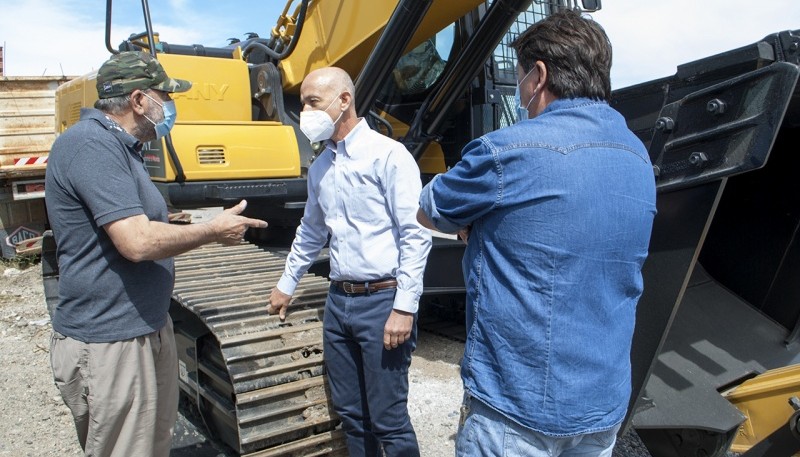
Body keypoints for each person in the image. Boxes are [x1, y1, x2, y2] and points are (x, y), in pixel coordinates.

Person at [417, 9, 657, 457]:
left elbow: (430, 210)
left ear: (538, 75)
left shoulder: (509, 151)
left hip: (519, 411)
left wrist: (480, 224)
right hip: (602, 406)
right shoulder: (637, 156)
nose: (522, 91)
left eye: (522, 76)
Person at [45, 51, 268, 457]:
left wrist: (177, 221)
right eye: (163, 95)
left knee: (153, 444)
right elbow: (137, 242)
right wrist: (211, 231)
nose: (169, 105)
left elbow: (132, 221)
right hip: (112, 341)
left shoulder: (121, 146)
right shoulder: (91, 145)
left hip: (142, 327)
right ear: (137, 100)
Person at [267, 67, 431, 457]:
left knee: (388, 420)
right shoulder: (322, 167)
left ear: (344, 101)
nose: (304, 111)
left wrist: (404, 308)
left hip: (381, 302)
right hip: (338, 302)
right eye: (303, 102)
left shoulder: (389, 156)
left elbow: (415, 233)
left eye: (312, 102)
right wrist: (286, 283)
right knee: (353, 416)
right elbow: (311, 231)